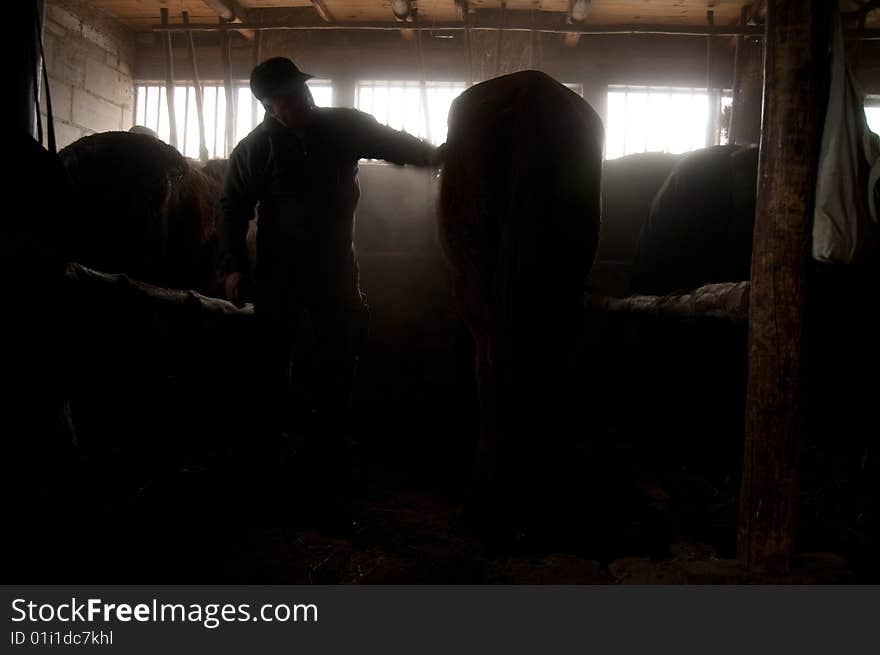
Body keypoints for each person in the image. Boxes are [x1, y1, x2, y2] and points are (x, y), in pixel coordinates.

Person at [218, 58, 443, 481]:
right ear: (269, 107)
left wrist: (432, 155)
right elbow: (231, 208)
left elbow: (390, 142)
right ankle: (271, 445)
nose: (302, 100)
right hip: (278, 269)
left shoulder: (342, 126)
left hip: (336, 263)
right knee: (272, 355)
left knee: (339, 348)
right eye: (288, 98)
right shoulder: (254, 151)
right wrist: (232, 266)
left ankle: (328, 439)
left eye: (303, 92)